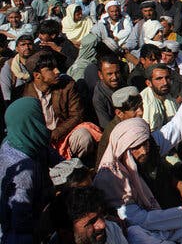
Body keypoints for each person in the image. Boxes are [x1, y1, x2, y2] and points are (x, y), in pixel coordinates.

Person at [94, 118, 182, 243]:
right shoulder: (112, 177)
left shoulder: (150, 152)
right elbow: (138, 219)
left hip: (171, 223)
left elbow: (178, 125)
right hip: (148, 230)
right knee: (135, 234)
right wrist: (181, 211)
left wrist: (180, 185)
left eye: (145, 144)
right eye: (136, 147)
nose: (143, 151)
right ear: (123, 150)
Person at [0, 98, 55, 244]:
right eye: (39, 117)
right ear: (30, 122)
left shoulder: (25, 140)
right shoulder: (24, 173)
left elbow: (57, 160)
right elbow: (20, 222)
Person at [48, 186, 128, 244]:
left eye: (101, 215)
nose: (102, 225)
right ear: (67, 233)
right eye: (92, 222)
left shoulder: (111, 229)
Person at [92, 55, 124, 129]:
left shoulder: (122, 84)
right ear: (100, 75)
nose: (115, 77)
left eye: (117, 73)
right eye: (110, 74)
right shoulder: (99, 97)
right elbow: (106, 126)